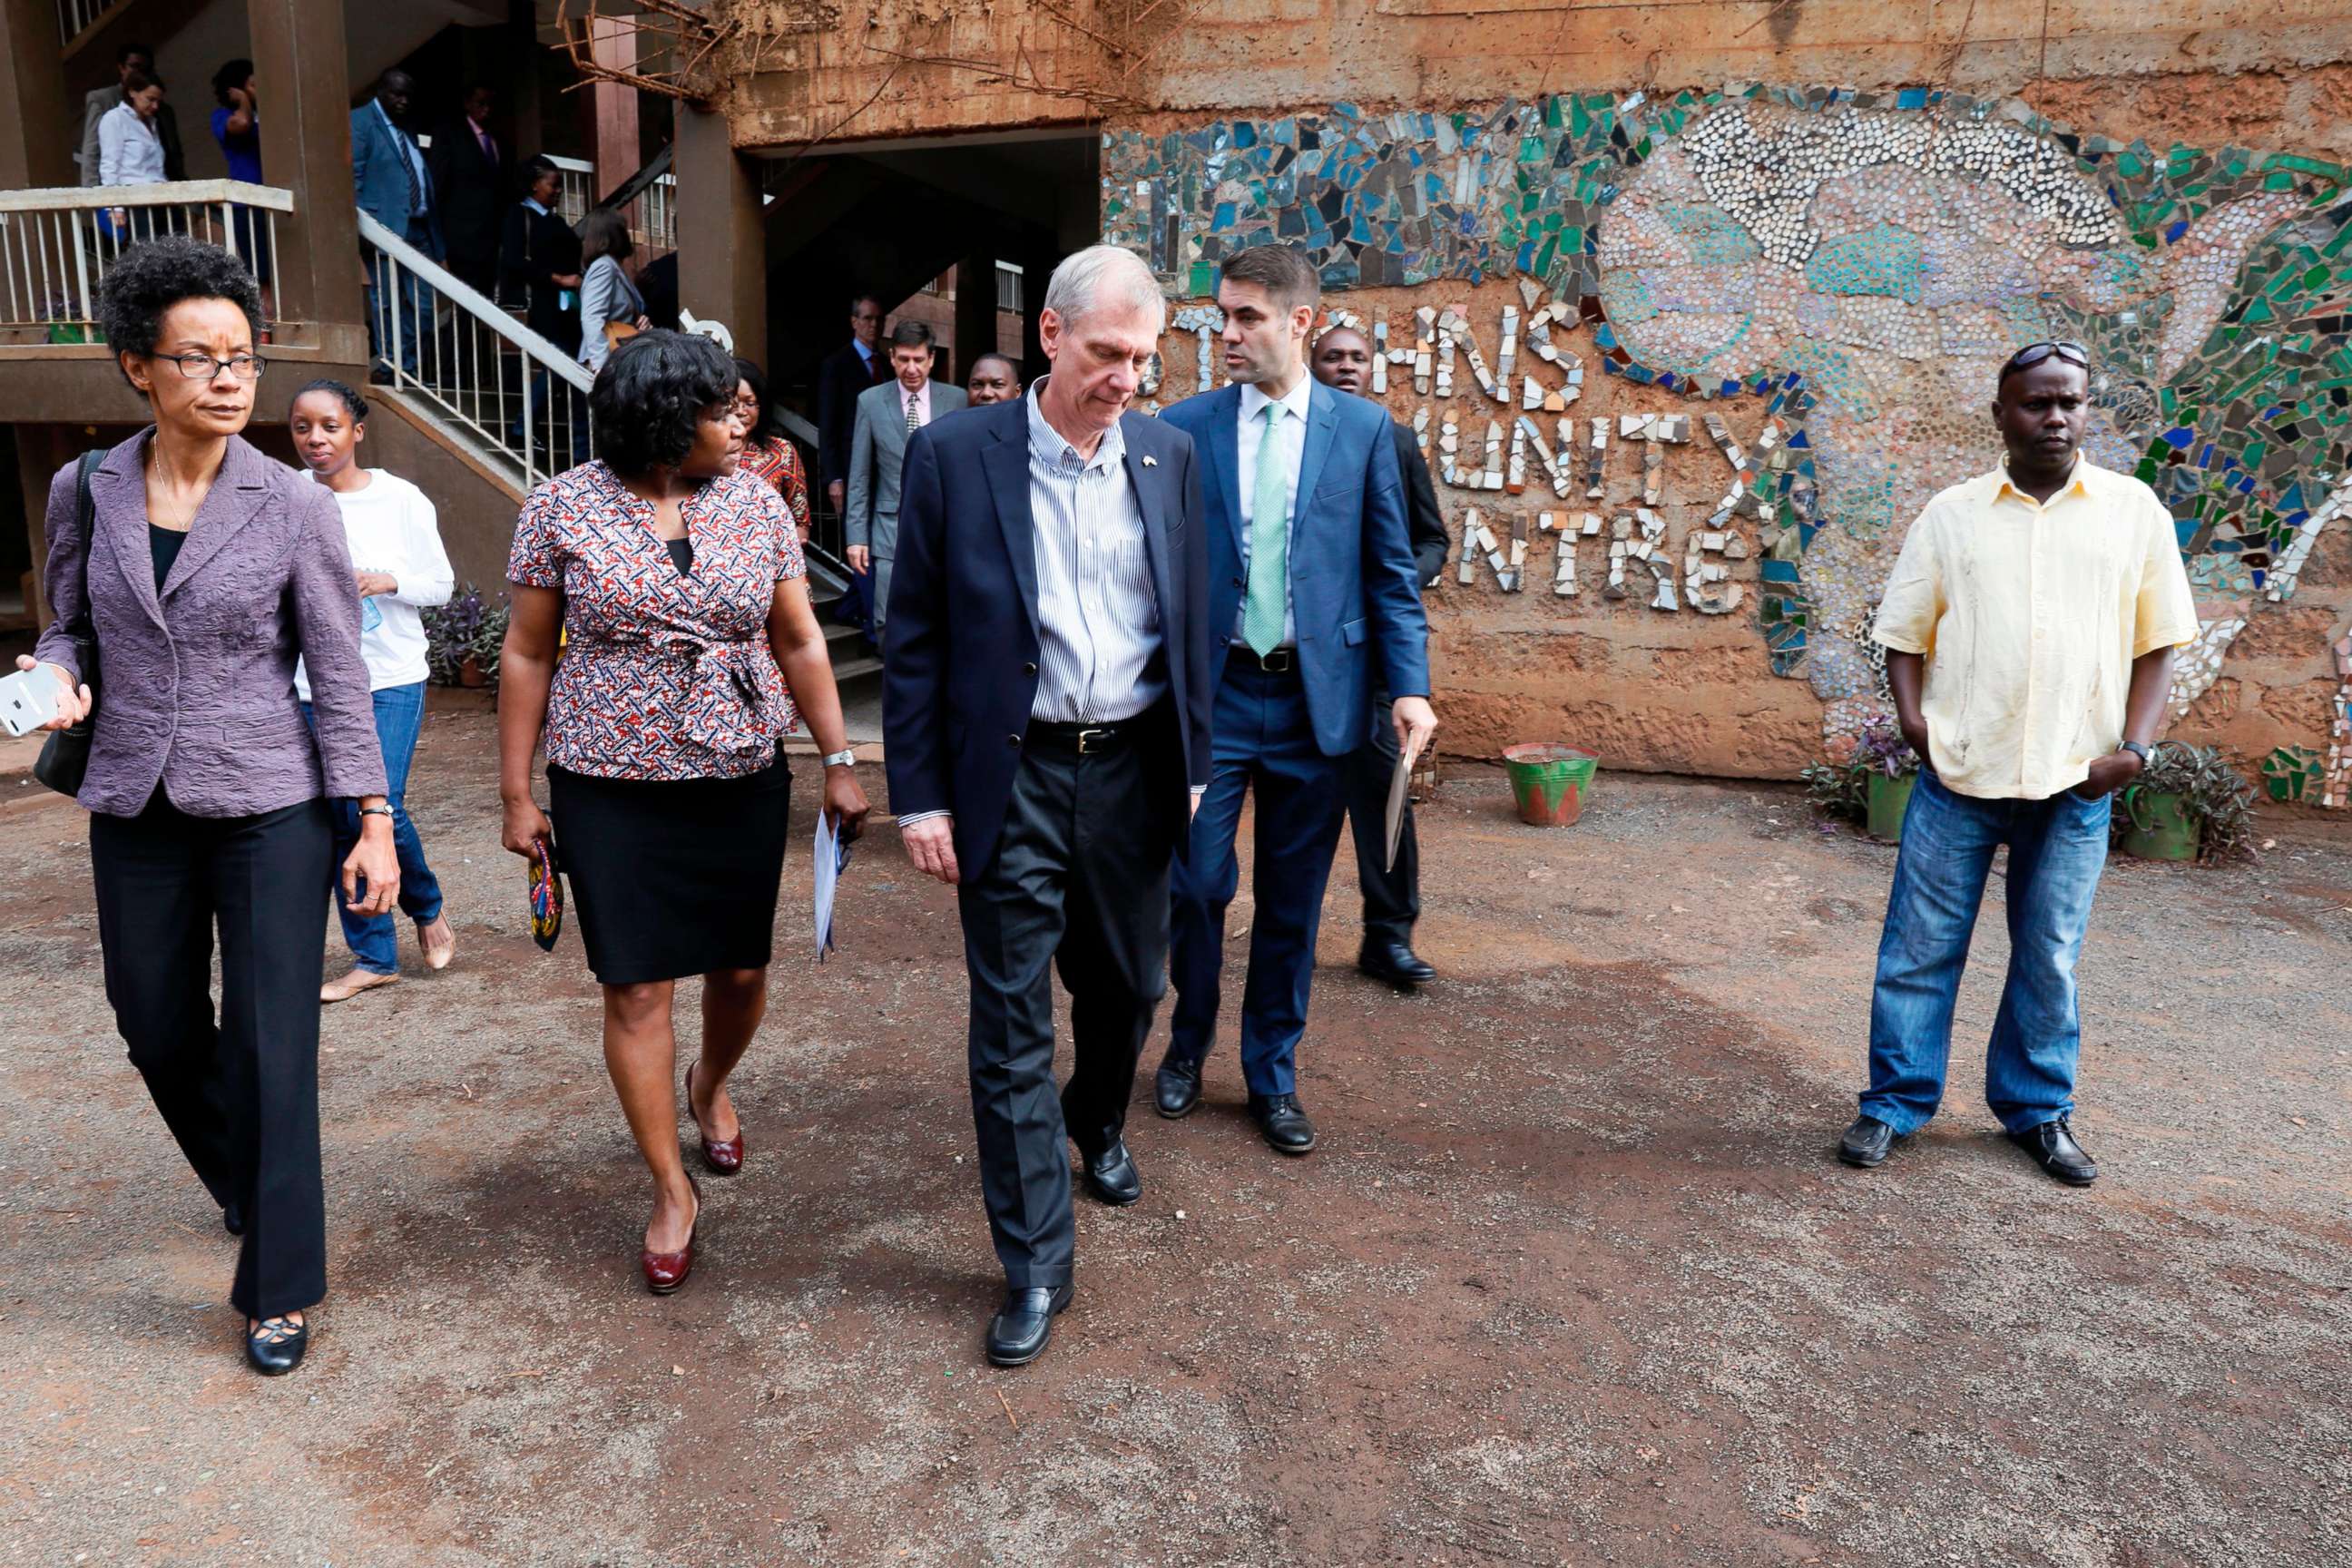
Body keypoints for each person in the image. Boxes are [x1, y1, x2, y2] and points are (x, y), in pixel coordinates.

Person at [15, 236, 395, 1376]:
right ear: (140, 366)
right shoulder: (84, 486)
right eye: (200, 358)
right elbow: (65, 618)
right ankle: (253, 1179)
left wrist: (369, 818)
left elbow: (338, 669)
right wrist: (57, 671)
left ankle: (278, 1278)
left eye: (244, 357)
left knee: (275, 1040)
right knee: (155, 1019)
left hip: (269, 799)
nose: (231, 379)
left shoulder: (293, 507)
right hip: (136, 794)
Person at [884, 245, 1213, 1368]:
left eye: (1144, 358)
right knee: (1011, 1023)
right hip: (1009, 779)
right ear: (1051, 337)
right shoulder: (953, 455)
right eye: (1110, 353)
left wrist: (1199, 762)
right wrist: (919, 795)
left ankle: (1098, 1118)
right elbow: (914, 639)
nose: (1128, 377)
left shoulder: (1170, 458)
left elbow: (1194, 613)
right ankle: (1034, 1260)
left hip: (1132, 772)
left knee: (1131, 985)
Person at [497, 330, 870, 1296]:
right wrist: (515, 790)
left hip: (737, 768)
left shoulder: (754, 500)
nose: (738, 426)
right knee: (635, 988)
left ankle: (709, 1084)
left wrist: (838, 757)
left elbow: (797, 635)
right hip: (608, 784)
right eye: (719, 412)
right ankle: (671, 1188)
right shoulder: (560, 508)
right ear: (667, 426)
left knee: (741, 966)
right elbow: (529, 653)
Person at [1838, 341, 2199, 1186]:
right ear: (2002, 415)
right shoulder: (1954, 515)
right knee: (1919, 949)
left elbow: (2160, 644)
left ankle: (2037, 1112)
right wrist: (1915, 721)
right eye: (2036, 403)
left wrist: (2135, 752)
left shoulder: (2132, 511)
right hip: (1961, 775)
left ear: (2086, 409)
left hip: (2078, 780)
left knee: (2049, 954)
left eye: (2070, 401)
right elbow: (1902, 630)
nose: (2056, 417)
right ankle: (1894, 1103)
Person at [1154, 245, 1436, 1157]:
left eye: (1246, 318)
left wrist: (1411, 689)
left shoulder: (1362, 433)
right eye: (1221, 316)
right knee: (1194, 886)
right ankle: (1187, 1045)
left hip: (1322, 705)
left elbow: (1392, 576)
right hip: (1215, 699)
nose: (1226, 334)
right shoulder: (1186, 428)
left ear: (1300, 322)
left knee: (1293, 902)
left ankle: (1271, 1072)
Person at [286, 378, 458, 1003]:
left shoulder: (400, 499)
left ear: (357, 430)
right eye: (302, 427)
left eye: (329, 425)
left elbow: (439, 584)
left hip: (387, 677)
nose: (315, 439)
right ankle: (374, 957)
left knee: (381, 805)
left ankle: (427, 905)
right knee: (340, 816)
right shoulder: (284, 497)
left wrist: (384, 580)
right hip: (309, 682)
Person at [1309, 325, 1451, 987]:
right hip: (1297, 658)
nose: (1345, 366)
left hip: (1371, 661)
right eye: (1333, 356)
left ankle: (1387, 936)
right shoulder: (1287, 438)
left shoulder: (1391, 439)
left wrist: (1393, 578)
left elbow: (1431, 540)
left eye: (1356, 358)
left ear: (1372, 368)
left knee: (1383, 797)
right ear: (1311, 362)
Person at [845, 321, 965, 649]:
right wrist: (856, 536)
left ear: (931, 360)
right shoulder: (870, 401)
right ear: (893, 358)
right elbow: (859, 475)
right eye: (904, 360)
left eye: (918, 360)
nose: (911, 369)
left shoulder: (957, 400)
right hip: (888, 528)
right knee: (886, 616)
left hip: (945, 527)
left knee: (944, 611)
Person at [349, 71, 440, 380]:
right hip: (383, 228)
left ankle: (409, 367)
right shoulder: (361, 121)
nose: (403, 101)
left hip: (418, 229)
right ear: (381, 91)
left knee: (424, 307)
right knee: (388, 303)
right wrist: (362, 224)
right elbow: (354, 176)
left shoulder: (407, 128)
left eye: (407, 96)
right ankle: (394, 367)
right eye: (396, 95)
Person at [498, 155, 584, 459]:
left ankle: (577, 444)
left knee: (567, 367)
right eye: (554, 184)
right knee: (556, 365)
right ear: (535, 184)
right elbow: (513, 262)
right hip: (542, 305)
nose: (559, 190)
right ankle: (522, 427)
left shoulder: (556, 221)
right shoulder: (518, 216)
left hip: (567, 310)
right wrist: (558, 279)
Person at [426, 84, 508, 298]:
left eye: (490, 104)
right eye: (481, 103)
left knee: (486, 302)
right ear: (467, 103)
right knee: (463, 302)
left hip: (490, 241)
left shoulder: (497, 139)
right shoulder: (449, 134)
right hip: (460, 239)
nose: (486, 109)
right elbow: (438, 183)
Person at [816, 293, 888, 515]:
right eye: (867, 318)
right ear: (854, 322)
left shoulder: (889, 365)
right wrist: (834, 477)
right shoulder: (836, 365)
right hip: (850, 469)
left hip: (885, 470)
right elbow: (828, 425)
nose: (874, 324)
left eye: (879, 319)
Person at [81, 43, 183, 188]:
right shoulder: (104, 102)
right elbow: (93, 152)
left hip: (161, 192)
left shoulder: (161, 111)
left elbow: (173, 154)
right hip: (123, 192)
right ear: (121, 68)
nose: (139, 71)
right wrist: (92, 197)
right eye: (134, 66)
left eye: (145, 68)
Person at [206, 60, 271, 290]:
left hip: (275, 201)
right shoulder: (222, 116)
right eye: (252, 85)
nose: (259, 89)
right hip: (248, 204)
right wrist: (243, 100)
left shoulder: (268, 115)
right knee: (262, 272)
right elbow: (240, 124)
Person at [732, 358, 812, 544]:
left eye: (749, 403)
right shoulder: (705, 453)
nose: (741, 411)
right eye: (733, 403)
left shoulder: (782, 451)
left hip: (772, 559)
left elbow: (800, 519)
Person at [95, 70, 169, 244]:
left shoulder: (152, 122)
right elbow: (109, 165)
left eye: (158, 101)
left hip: (160, 200)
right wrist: (115, 207)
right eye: (150, 99)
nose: (155, 106)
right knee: (144, 258)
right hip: (135, 203)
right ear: (132, 92)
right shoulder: (115, 119)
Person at [577, 209, 648, 377]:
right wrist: (600, 365)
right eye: (623, 229)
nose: (627, 235)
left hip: (620, 356)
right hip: (609, 361)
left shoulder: (614, 267)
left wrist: (640, 320)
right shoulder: (604, 266)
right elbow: (591, 316)